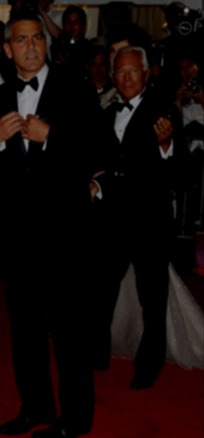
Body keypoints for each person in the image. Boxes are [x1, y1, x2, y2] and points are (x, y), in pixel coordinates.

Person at [0, 13, 100, 438]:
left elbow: (99, 148)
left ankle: (75, 419)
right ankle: (36, 408)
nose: (31, 45)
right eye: (22, 39)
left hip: (67, 235)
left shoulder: (75, 86)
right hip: (19, 238)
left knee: (70, 334)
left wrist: (51, 136)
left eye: (37, 37)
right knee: (26, 332)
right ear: (9, 49)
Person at [90, 45, 189, 390]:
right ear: (113, 76)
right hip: (111, 222)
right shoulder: (106, 114)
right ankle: (97, 354)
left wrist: (166, 147)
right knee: (101, 292)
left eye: (134, 70)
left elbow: (181, 176)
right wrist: (95, 184)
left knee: (153, 299)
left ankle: (150, 364)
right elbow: (103, 165)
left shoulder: (165, 112)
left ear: (146, 74)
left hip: (150, 223)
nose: (127, 77)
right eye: (121, 71)